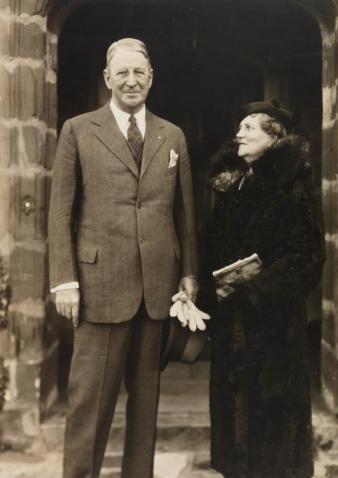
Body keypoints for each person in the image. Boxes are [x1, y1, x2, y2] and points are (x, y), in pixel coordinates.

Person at [48, 38, 198, 478]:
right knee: (88, 404)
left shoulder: (172, 135)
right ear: (107, 79)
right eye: (123, 73)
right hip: (98, 288)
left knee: (146, 405)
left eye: (140, 73)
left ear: (151, 79)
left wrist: (188, 273)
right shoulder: (78, 130)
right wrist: (65, 281)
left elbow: (185, 212)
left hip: (157, 289)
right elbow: (61, 213)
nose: (131, 81)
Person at [204, 101, 325, 478]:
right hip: (232, 318)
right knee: (234, 412)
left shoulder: (294, 182)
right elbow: (213, 240)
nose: (238, 134)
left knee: (273, 415)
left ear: (274, 138)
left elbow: (307, 254)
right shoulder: (236, 182)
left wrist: (256, 289)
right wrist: (215, 283)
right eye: (239, 127)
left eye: (249, 128)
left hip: (272, 321)